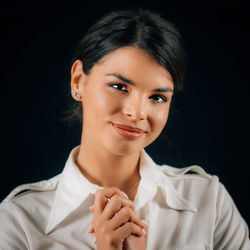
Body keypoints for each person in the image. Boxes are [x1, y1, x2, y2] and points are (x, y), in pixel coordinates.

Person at [0, 8, 249, 250]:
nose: (137, 112)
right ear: (78, 80)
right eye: (119, 87)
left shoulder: (209, 202)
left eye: (158, 97)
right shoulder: (19, 221)